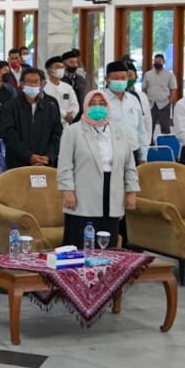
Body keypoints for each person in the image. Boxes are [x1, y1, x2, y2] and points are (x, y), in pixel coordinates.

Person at [57, 90, 139, 251]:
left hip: (112, 193)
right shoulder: (73, 131)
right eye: (92, 104)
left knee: (107, 247)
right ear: (85, 106)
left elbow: (129, 166)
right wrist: (67, 191)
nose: (97, 108)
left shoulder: (119, 132)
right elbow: (65, 165)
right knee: (79, 247)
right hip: (82, 196)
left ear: (108, 106)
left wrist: (131, 192)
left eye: (101, 104)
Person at [0, 67, 63, 169]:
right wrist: (29, 156)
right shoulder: (10, 106)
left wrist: (48, 157)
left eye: (36, 81)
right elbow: (9, 135)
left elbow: (57, 133)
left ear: (42, 84)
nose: (32, 85)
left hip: (46, 163)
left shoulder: (51, 104)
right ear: (22, 84)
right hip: (18, 163)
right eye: (28, 81)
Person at [104, 60, 146, 163]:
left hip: (133, 153)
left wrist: (143, 156)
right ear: (107, 79)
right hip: (109, 154)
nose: (120, 81)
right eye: (116, 78)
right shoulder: (101, 101)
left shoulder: (133, 100)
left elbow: (141, 129)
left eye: (123, 78)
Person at [142, 52, 178, 141]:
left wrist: (170, 100)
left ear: (164, 62)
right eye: (156, 61)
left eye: (159, 61)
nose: (157, 63)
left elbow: (173, 89)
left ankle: (166, 147)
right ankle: (150, 147)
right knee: (149, 126)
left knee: (165, 127)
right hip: (151, 104)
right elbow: (144, 88)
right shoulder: (148, 74)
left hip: (164, 104)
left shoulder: (169, 75)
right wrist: (146, 100)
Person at [43, 55, 79, 124]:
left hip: (65, 125)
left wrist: (71, 116)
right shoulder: (43, 87)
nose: (61, 69)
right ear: (49, 71)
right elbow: (48, 106)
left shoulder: (67, 87)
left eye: (62, 67)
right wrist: (64, 114)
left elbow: (75, 105)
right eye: (57, 67)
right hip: (48, 124)